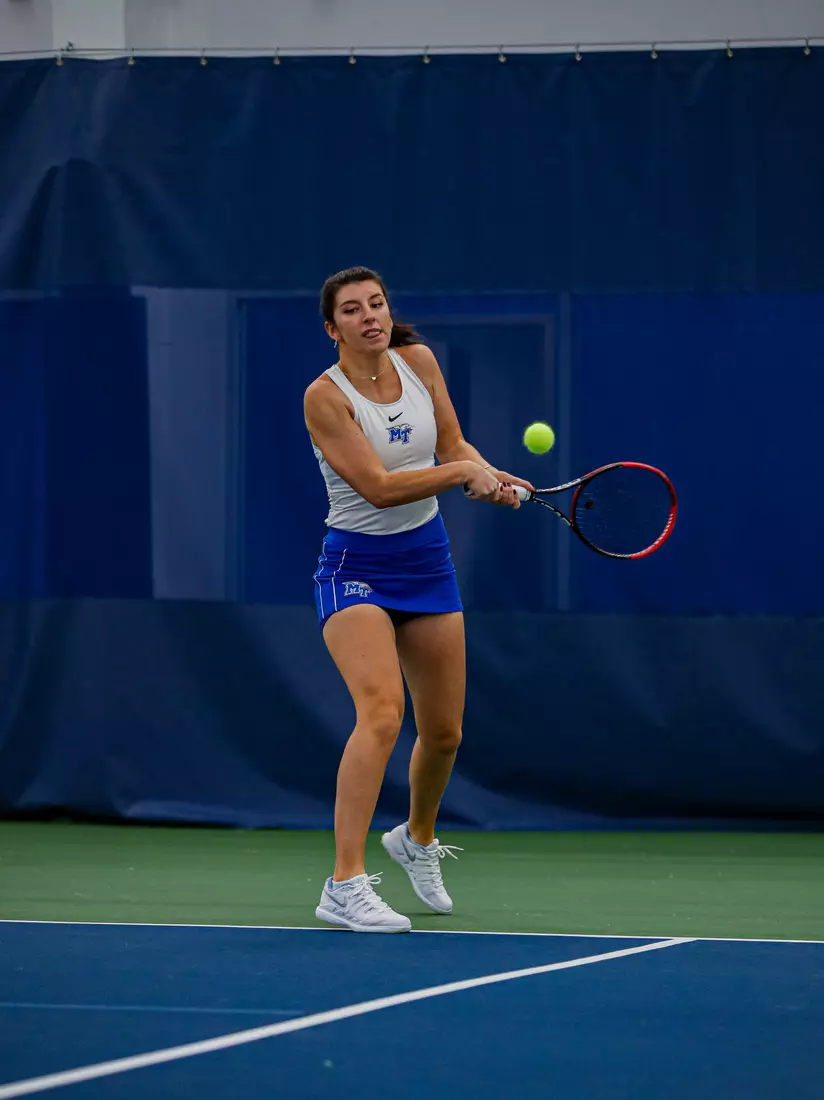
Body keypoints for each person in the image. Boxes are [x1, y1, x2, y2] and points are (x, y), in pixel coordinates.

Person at [304, 266, 533, 933]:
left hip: (426, 561)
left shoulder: (419, 360)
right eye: (352, 309)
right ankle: (344, 883)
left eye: (376, 303)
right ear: (333, 328)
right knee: (380, 713)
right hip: (354, 567)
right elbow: (376, 486)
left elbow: (454, 444)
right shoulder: (325, 397)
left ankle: (415, 838)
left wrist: (485, 472)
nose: (370, 315)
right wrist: (462, 473)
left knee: (443, 733)